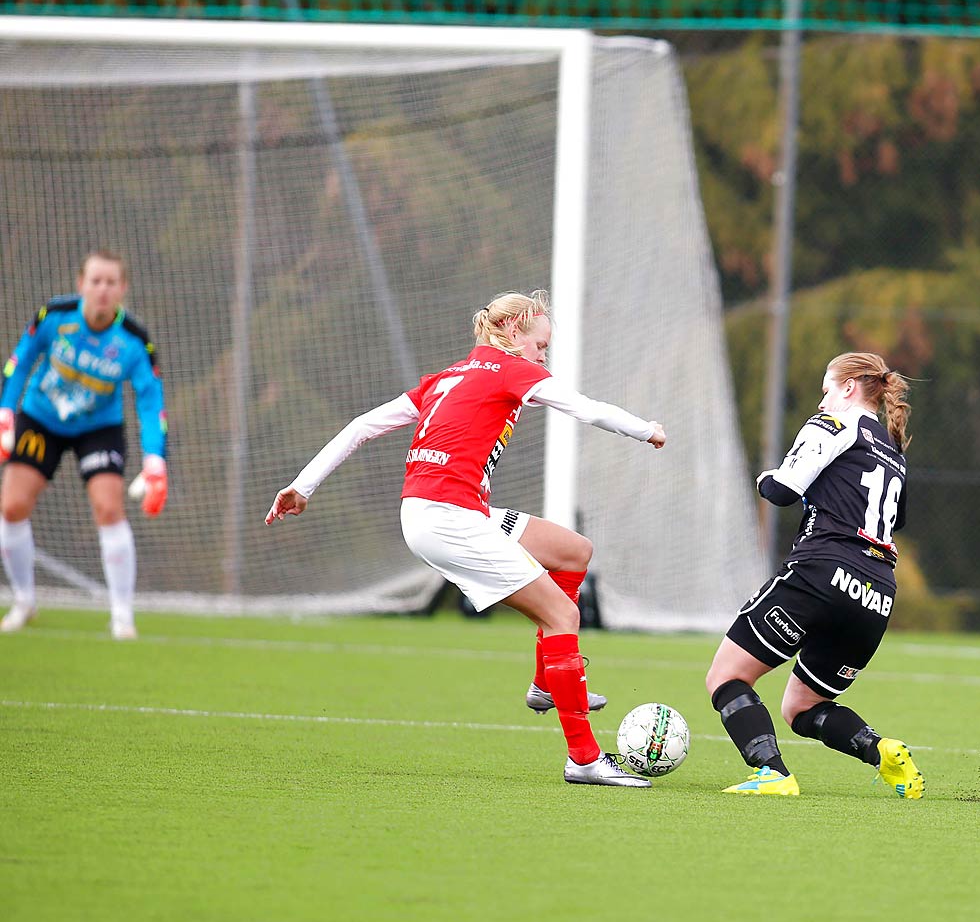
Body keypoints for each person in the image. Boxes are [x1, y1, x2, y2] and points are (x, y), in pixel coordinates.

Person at [266, 290, 666, 787]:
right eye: (540, 344)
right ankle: (583, 759)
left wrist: (302, 486)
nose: (544, 356)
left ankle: (546, 683)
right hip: (447, 518)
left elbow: (362, 425)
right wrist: (645, 430)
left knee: (572, 551)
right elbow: (585, 409)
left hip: (439, 509)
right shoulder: (515, 370)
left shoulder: (446, 377)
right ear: (514, 333)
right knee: (562, 613)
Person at [704, 351, 924, 798]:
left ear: (848, 388)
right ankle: (880, 750)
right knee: (803, 707)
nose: (822, 402)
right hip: (878, 592)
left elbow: (782, 490)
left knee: (726, 676)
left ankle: (773, 775)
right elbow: (896, 518)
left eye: (826, 391)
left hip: (823, 572)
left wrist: (765, 476)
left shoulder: (833, 425)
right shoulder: (893, 451)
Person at [1, 250, 168, 640]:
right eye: (95, 281)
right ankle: (24, 600)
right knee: (11, 506)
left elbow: (150, 403)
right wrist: (6, 412)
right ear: (81, 284)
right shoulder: (55, 316)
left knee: (109, 508)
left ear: (123, 289)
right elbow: (19, 362)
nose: (103, 290)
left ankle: (122, 616)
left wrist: (155, 461)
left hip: (99, 428)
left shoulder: (134, 341)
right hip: (41, 419)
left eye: (111, 282)